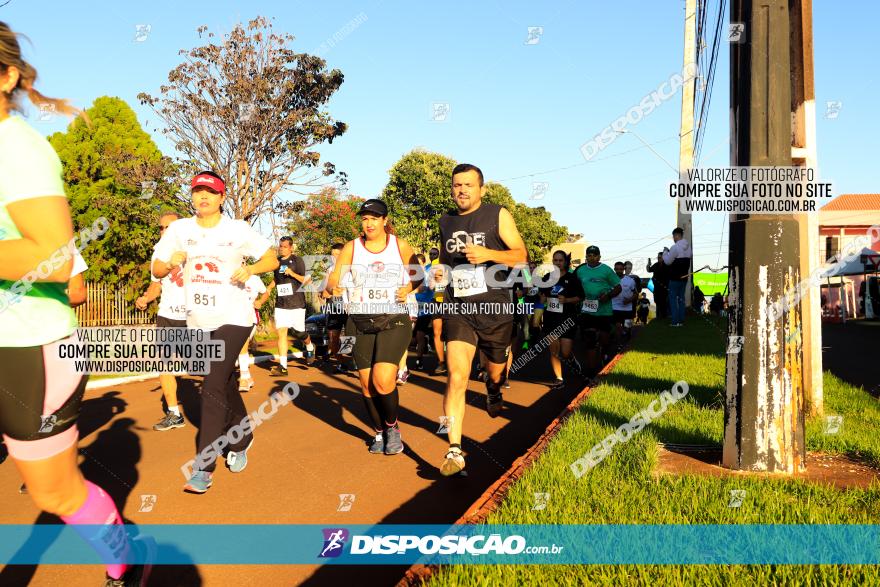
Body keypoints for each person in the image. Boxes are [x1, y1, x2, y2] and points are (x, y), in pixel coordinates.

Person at [0, 22, 152, 584]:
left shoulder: (16, 147)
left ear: (8, 75)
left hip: (27, 348)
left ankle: (124, 558)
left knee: (55, 491)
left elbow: (54, 257)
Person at [152, 170, 279, 493]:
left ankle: (203, 467)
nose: (202, 196)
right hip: (198, 320)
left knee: (211, 385)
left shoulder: (237, 229)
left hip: (234, 318)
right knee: (223, 383)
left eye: (209, 192)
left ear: (222, 198)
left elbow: (272, 259)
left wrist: (251, 268)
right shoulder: (179, 230)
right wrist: (170, 263)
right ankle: (243, 435)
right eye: (197, 191)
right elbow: (157, 268)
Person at [437, 163, 527, 476]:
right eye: (456, 185)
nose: (461, 190)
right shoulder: (445, 221)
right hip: (458, 308)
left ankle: (494, 389)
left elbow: (520, 256)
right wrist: (439, 272)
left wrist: (489, 254)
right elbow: (444, 261)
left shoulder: (497, 214)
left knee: (496, 372)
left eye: (468, 185)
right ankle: (454, 451)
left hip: (495, 309)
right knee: (456, 376)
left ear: (481, 190)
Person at [324, 199, 421, 456]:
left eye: (374, 218)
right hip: (358, 321)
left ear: (384, 221)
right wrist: (333, 286)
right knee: (366, 384)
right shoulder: (351, 248)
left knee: (382, 380)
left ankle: (393, 428)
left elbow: (419, 274)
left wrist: (409, 288)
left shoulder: (398, 245)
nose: (369, 223)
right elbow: (334, 278)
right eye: (365, 218)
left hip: (393, 319)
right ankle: (379, 432)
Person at [136, 211, 189, 431]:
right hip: (167, 315)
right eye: (161, 228)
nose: (164, 231)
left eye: (169, 227)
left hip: (193, 316)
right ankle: (174, 413)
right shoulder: (158, 253)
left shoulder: (192, 248)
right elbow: (156, 283)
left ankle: (220, 406)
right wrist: (146, 298)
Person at [268, 237, 314, 375]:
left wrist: (292, 273)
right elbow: (276, 280)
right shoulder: (276, 262)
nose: (281, 248)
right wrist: (268, 289)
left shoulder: (297, 260)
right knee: (281, 333)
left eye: (284, 246)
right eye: (280, 246)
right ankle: (283, 367)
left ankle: (309, 346)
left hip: (297, 303)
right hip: (281, 304)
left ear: (291, 248)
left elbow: (306, 280)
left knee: (299, 333)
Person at [540, 250, 584, 390]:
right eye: (555, 260)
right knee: (554, 350)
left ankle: (571, 359)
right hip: (550, 318)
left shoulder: (572, 279)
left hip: (567, 318)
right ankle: (559, 378)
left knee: (565, 352)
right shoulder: (547, 277)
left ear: (565, 262)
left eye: (560, 260)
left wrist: (567, 300)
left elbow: (580, 297)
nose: (557, 263)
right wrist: (541, 301)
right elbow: (542, 297)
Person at [573, 245, 621, 375]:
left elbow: (618, 287)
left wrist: (608, 296)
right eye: (589, 255)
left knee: (604, 339)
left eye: (594, 255)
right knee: (590, 339)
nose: (591, 257)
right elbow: (573, 284)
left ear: (599, 257)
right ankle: (592, 369)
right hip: (587, 311)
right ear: (586, 257)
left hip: (604, 311)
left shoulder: (606, 270)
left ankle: (605, 353)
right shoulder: (581, 270)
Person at [238, 271, 269, 391]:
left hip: (250, 316)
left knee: (242, 343)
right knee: (238, 345)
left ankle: (244, 377)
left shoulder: (255, 279)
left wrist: (260, 302)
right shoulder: (228, 275)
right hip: (232, 316)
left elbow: (265, 293)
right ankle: (246, 376)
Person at [323, 242, 348, 371]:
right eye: (332, 255)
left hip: (349, 306)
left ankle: (352, 361)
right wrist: (324, 292)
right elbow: (324, 289)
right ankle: (342, 362)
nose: (334, 257)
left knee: (350, 336)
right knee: (333, 338)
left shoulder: (351, 268)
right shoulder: (330, 269)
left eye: (337, 255)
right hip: (333, 306)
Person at [663, 228, 692, 327]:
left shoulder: (675, 247)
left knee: (673, 299)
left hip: (674, 277)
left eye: (673, 236)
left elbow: (667, 261)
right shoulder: (688, 247)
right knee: (681, 299)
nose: (673, 238)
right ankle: (681, 320)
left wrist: (665, 253)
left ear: (676, 235)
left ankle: (675, 321)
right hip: (684, 278)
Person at [426, 246, 448, 374]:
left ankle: (453, 361)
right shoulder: (433, 266)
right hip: (437, 301)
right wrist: (437, 280)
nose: (433, 256)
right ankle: (441, 363)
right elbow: (431, 286)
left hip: (451, 302)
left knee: (452, 333)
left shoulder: (452, 264)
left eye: (435, 254)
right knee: (437, 332)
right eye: (431, 254)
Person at [412, 252, 435, 371]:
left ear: (423, 263)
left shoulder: (427, 274)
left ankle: (419, 361)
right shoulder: (411, 274)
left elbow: (428, 289)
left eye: (419, 263)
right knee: (412, 337)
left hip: (424, 309)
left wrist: (411, 291)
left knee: (419, 335)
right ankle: (426, 339)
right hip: (411, 308)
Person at [611, 261, 636, 346]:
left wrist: (629, 300)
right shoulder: (610, 280)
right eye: (617, 269)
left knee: (628, 327)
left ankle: (628, 339)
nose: (619, 271)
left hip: (627, 308)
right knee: (618, 327)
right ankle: (619, 345)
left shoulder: (630, 281)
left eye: (621, 269)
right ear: (614, 269)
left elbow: (635, 293)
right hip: (615, 307)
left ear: (623, 269)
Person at [646, 252, 670, 319]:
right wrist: (648, 264)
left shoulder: (667, 265)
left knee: (663, 301)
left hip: (664, 287)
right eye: (658, 257)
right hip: (656, 287)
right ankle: (659, 316)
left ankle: (664, 316)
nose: (658, 259)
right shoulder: (656, 265)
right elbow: (649, 270)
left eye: (660, 257)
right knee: (657, 300)